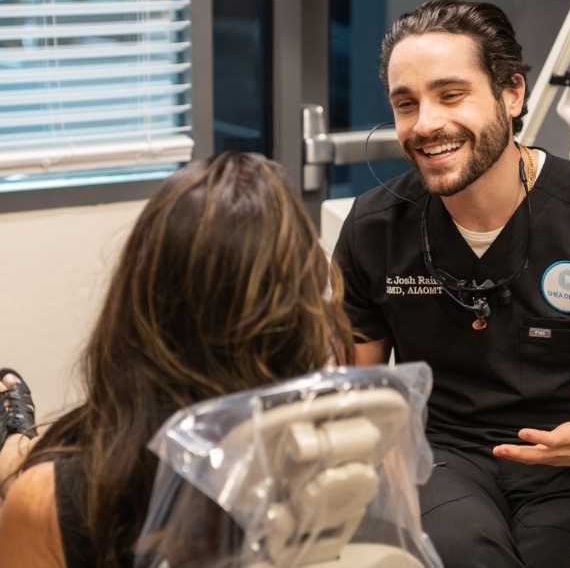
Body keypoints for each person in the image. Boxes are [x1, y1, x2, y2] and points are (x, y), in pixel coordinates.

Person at [333, 0, 570, 568]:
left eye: (451, 95)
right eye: (406, 104)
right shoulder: (374, 228)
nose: (426, 124)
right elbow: (361, 390)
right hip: (440, 458)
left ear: (512, 93)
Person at [0, 151, 357, 568]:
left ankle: (13, 436)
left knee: (26, 471)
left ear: (139, 305)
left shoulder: (52, 502)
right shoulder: (342, 470)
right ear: (299, 322)